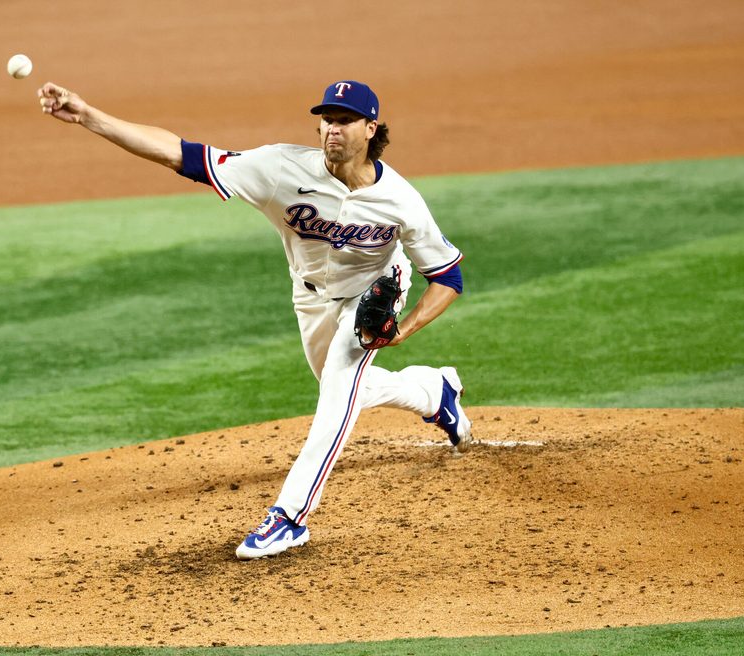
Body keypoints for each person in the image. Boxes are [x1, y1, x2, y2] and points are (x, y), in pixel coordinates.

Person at [38, 79, 473, 560]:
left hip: (374, 295)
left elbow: (447, 275)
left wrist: (402, 331)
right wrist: (89, 116)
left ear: (371, 128)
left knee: (336, 395)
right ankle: (435, 393)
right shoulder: (279, 167)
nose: (333, 129)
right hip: (309, 297)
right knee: (345, 387)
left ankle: (290, 517)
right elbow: (180, 154)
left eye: (345, 120)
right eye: (327, 119)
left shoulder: (402, 200)